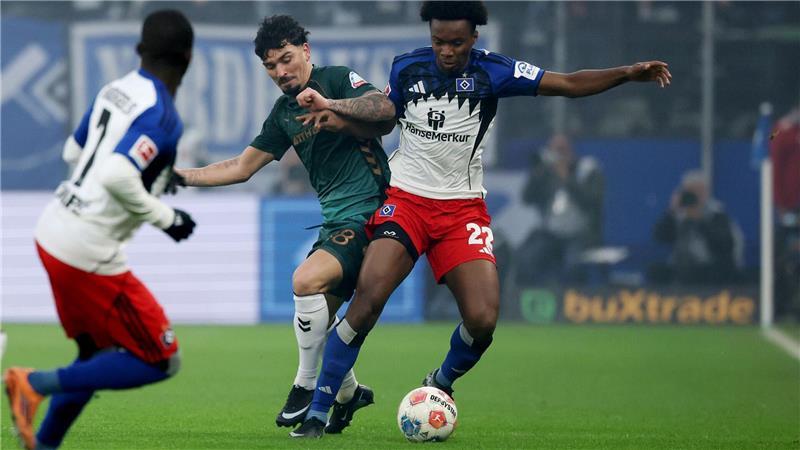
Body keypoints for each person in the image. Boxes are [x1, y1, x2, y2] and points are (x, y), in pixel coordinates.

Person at [291, 0, 671, 438]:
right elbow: (382, 117)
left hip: (461, 209)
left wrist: (625, 73)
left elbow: (565, 83)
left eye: (455, 42)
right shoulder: (407, 68)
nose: (446, 51)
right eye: (438, 41)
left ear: (474, 38)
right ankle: (319, 412)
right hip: (407, 201)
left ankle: (441, 382)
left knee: (483, 319)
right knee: (369, 295)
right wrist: (340, 116)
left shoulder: (496, 71)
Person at [174, 15, 395, 434]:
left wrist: (331, 105)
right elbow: (241, 167)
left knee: (304, 280)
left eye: (287, 59)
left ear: (306, 51)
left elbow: (384, 109)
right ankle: (347, 395)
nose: (280, 72)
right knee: (318, 326)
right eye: (271, 66)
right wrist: (180, 176)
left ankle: (305, 385)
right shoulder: (283, 114)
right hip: (336, 222)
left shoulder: (336, 79)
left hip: (373, 213)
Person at [3, 10, 196, 450]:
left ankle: (44, 444)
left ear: (138, 50)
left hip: (53, 229)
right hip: (86, 248)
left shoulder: (116, 88)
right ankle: (31, 382)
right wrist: (167, 219)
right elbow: (115, 175)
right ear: (187, 58)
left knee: (98, 357)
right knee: (161, 359)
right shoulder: (164, 116)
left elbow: (75, 150)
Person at [518, 134, 605, 284]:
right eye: (554, 150)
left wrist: (566, 178)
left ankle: (571, 302)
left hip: (579, 234)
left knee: (573, 265)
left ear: (570, 150)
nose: (558, 155)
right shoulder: (547, 173)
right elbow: (527, 198)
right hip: (550, 233)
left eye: (562, 150)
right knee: (526, 259)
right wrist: (538, 172)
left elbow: (591, 201)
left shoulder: (587, 170)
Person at [649, 170, 742, 284]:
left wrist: (698, 218)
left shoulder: (718, 215)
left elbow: (723, 246)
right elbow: (660, 237)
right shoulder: (679, 216)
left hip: (712, 268)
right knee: (655, 271)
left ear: (705, 192)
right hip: (683, 268)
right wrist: (671, 211)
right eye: (689, 191)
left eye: (697, 191)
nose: (692, 195)